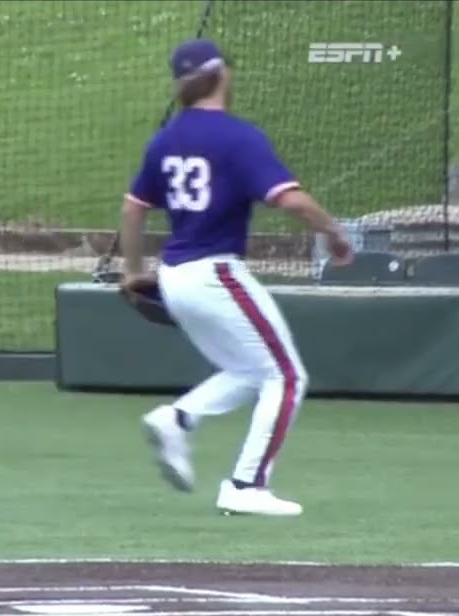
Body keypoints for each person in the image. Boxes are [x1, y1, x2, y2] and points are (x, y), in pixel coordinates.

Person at [119, 39, 353, 517]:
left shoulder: (165, 138)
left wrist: (131, 269)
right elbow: (288, 199)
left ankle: (177, 418)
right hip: (215, 273)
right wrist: (334, 232)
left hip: (176, 275)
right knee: (286, 376)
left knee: (251, 371)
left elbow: (133, 207)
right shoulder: (237, 136)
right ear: (222, 73)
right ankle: (246, 484)